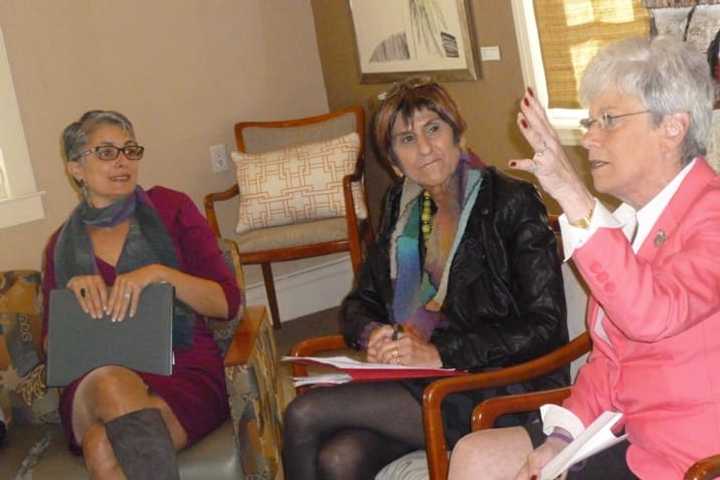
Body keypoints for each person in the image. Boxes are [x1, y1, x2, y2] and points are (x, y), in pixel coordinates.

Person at [447, 36, 720, 480]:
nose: (589, 138)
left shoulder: (712, 213)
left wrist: (572, 194)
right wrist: (562, 436)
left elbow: (651, 314)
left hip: (690, 458)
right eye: (589, 121)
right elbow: (612, 358)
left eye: (608, 120)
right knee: (475, 456)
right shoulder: (637, 219)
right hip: (626, 431)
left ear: (672, 127)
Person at [281, 78, 568, 480]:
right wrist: (373, 334)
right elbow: (359, 301)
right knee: (340, 458)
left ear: (458, 134)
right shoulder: (402, 204)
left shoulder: (511, 202)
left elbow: (546, 326)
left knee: (304, 411)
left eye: (434, 128)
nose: (425, 148)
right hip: (424, 382)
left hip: (499, 384)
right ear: (395, 162)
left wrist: (439, 353)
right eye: (406, 139)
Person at [42, 110, 242, 479]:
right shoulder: (60, 246)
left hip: (182, 371)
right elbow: (54, 351)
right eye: (105, 152)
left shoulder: (172, 208)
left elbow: (226, 303)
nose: (122, 162)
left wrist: (160, 275)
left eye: (130, 150)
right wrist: (70, 305)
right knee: (111, 380)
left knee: (101, 446)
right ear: (76, 169)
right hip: (91, 385)